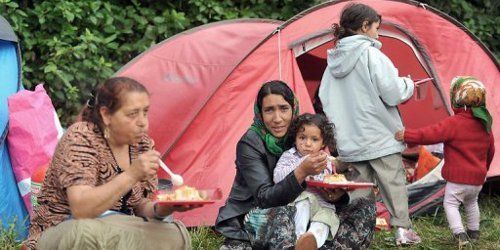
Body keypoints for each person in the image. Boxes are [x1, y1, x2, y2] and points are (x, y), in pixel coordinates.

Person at [24, 77, 198, 250]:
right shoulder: (81, 137)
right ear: (106, 115)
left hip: (118, 228)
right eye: (132, 114)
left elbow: (140, 207)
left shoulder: (142, 144)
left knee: (175, 234)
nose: (142, 122)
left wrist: (163, 208)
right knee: (85, 233)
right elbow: (81, 209)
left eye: (145, 112)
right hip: (66, 227)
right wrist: (131, 175)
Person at [215, 80, 376, 250]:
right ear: (260, 114)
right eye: (269, 110)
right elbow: (264, 198)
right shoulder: (250, 143)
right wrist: (301, 172)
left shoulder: (302, 134)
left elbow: (331, 173)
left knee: (363, 206)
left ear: (293, 108)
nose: (277, 119)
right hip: (259, 211)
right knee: (283, 212)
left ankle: (314, 245)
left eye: (283, 109)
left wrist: (336, 195)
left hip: (310, 206)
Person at [318, 3, 420, 245]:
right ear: (364, 26)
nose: (378, 33)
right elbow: (392, 93)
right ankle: (403, 231)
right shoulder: (372, 54)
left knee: (359, 188)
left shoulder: (333, 61)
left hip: (350, 138)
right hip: (380, 134)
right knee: (392, 183)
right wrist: (408, 84)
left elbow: (324, 97)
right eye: (376, 27)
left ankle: (356, 234)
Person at [395, 76, 495, 247]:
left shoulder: (454, 123)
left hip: (458, 179)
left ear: (456, 99)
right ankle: (474, 231)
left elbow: (430, 134)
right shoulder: (485, 125)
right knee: (472, 203)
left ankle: (459, 234)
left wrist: (407, 135)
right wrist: (484, 170)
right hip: (477, 179)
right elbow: (491, 151)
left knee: (450, 203)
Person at [273, 113, 338, 249]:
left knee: (325, 220)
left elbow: (326, 179)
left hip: (322, 205)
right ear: (295, 138)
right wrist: (303, 164)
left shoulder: (325, 159)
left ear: (323, 142)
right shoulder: (289, 156)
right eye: (302, 138)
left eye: (314, 139)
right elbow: (277, 177)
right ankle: (298, 238)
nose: (307, 144)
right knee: (305, 199)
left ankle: (311, 242)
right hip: (299, 203)